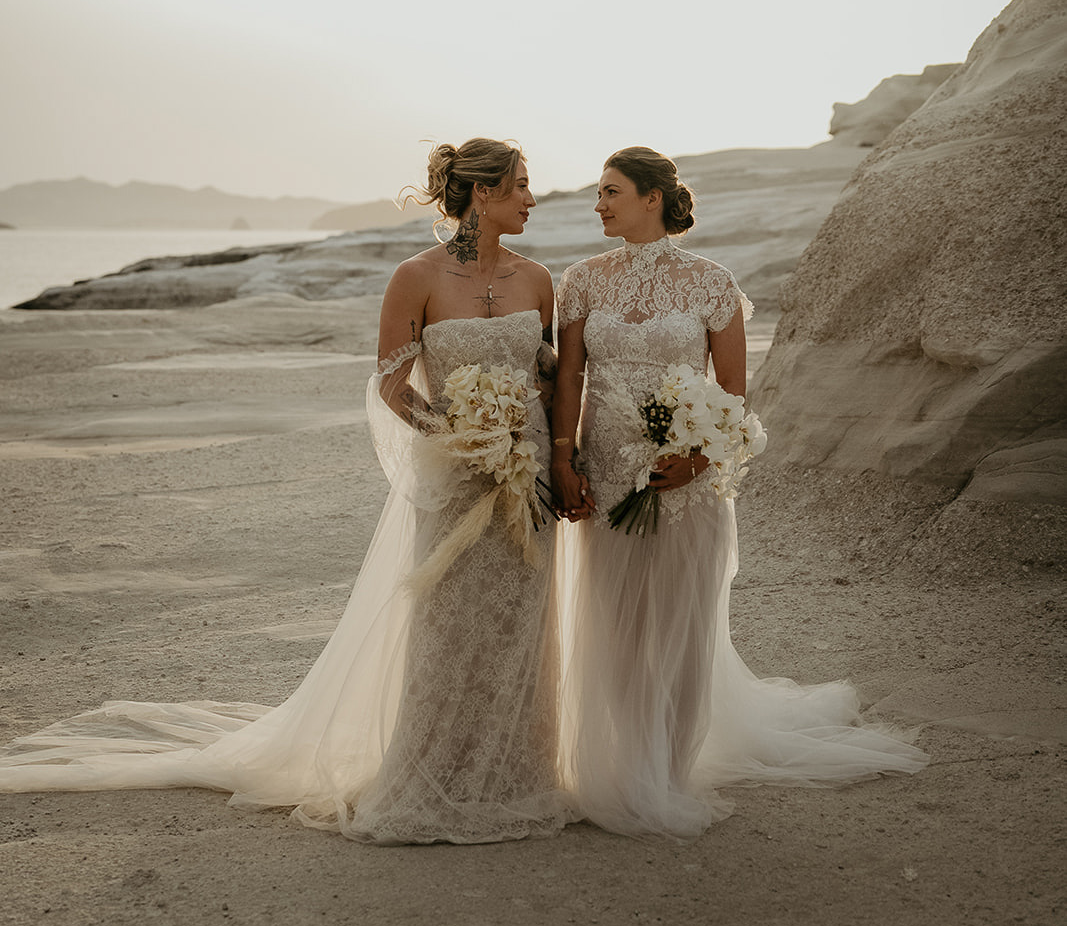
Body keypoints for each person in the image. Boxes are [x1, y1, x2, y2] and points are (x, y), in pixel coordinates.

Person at [0, 139, 571, 845]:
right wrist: (461, 439)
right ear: (480, 195)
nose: (530, 198)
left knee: (523, 624)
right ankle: (433, 776)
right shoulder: (414, 277)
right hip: (456, 480)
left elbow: (546, 373)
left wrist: (537, 442)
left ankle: (519, 775)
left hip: (528, 479)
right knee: (448, 626)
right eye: (519, 185)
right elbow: (391, 385)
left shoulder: (540, 279)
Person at [551, 146, 927, 840]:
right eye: (597, 194)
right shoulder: (578, 281)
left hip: (685, 484)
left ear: (651, 198)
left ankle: (662, 771)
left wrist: (697, 457)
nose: (598, 204)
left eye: (609, 192)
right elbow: (568, 377)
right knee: (610, 624)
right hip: (603, 475)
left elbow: (730, 392)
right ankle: (607, 764)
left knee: (679, 624)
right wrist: (564, 458)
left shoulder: (711, 283)